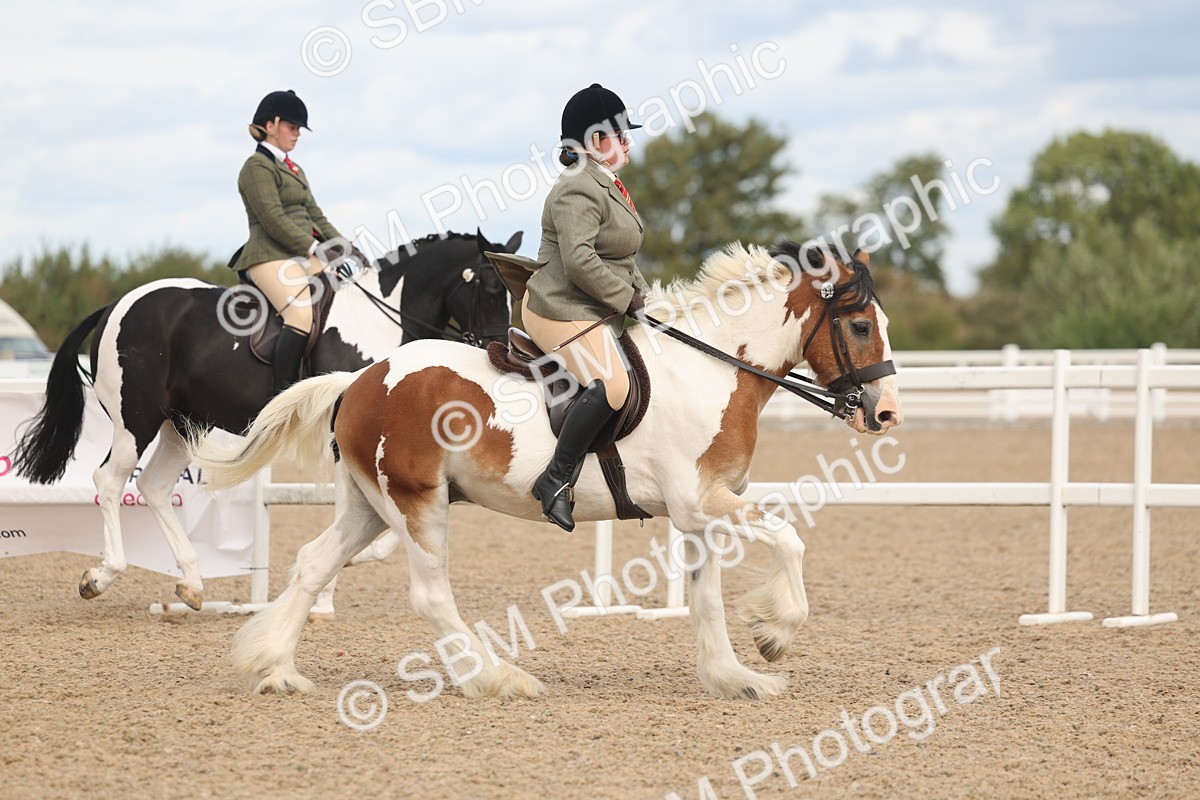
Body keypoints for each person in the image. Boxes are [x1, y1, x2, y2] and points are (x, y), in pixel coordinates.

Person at [493, 83, 650, 532]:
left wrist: (648, 298)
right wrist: (625, 299)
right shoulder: (578, 188)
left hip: (590, 307)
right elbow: (580, 261)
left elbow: (621, 258)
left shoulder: (606, 184)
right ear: (597, 140)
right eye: (620, 135)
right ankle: (555, 480)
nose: (628, 143)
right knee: (614, 385)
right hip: (557, 308)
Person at [231, 89, 359, 394]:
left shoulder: (294, 169)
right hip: (268, 255)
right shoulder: (256, 167)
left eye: (299, 128)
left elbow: (316, 216)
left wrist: (347, 249)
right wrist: (315, 248)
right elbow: (273, 219)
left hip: (302, 255)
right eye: (292, 126)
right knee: (300, 314)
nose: (297, 133)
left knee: (344, 297)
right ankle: (283, 397)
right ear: (270, 125)